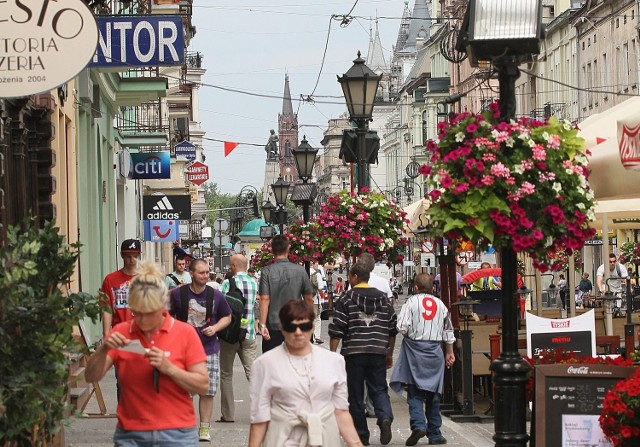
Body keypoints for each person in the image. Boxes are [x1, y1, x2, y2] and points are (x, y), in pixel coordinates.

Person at [85, 262, 209, 446]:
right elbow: (91, 376)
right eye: (137, 313)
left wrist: (170, 369)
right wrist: (103, 349)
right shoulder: (122, 332)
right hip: (131, 434)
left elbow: (203, 385)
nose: (142, 320)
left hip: (177, 433)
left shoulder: (184, 333)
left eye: (149, 313)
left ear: (163, 307)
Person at [248, 300, 363, 447]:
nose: (298, 332)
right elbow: (259, 418)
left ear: (313, 327)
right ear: (282, 328)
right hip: (283, 439)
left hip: (324, 438)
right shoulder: (264, 364)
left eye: (304, 326)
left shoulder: (334, 361)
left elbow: (341, 411)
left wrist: (356, 443)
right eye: (291, 327)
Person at [329, 263, 398, 446]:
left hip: (354, 352)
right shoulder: (383, 299)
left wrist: (332, 354)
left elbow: (337, 329)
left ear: (353, 276)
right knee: (380, 388)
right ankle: (384, 416)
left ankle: (361, 436)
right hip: (377, 351)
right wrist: (389, 352)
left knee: (355, 394)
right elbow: (392, 328)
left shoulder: (346, 298)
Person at [168, 258, 232, 442]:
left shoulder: (216, 295)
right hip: (183, 350)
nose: (205, 275)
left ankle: (204, 428)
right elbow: (167, 315)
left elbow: (227, 316)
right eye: (201, 272)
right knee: (184, 390)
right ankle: (185, 426)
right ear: (192, 273)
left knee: (208, 390)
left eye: (207, 272)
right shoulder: (179, 294)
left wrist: (215, 328)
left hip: (209, 348)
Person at [390, 273, 454, 446]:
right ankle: (435, 434)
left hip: (414, 351)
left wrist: (412, 333)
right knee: (434, 393)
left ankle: (418, 425)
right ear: (433, 288)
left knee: (415, 391)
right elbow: (448, 330)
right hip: (435, 351)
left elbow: (401, 326)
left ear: (415, 287)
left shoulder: (411, 302)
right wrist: (449, 351)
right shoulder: (441, 305)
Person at [217, 254, 258, 424]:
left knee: (226, 374)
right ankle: (259, 412)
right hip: (248, 333)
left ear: (234, 265)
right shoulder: (254, 282)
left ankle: (228, 415)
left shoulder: (227, 283)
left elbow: (221, 307)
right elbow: (255, 306)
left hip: (229, 336)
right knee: (253, 374)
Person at [258, 235, 314, 353]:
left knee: (273, 365)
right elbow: (309, 298)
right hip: (296, 323)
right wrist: (309, 321)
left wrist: (262, 324)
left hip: (273, 324)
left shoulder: (267, 271)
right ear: (288, 248)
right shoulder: (300, 271)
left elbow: (264, 299)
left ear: (272, 250)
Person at [100, 239, 141, 340]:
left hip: (142, 334)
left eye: (135, 256)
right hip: (119, 335)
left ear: (139, 255)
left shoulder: (147, 278)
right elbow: (107, 308)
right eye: (128, 256)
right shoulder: (110, 280)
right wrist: (106, 333)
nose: (132, 260)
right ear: (122, 256)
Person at [310, 261, 326, 344]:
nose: (318, 266)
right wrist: (322, 300)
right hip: (315, 299)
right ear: (312, 265)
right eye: (316, 264)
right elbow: (320, 288)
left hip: (304, 299)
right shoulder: (317, 274)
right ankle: (316, 336)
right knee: (317, 318)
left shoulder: (302, 272)